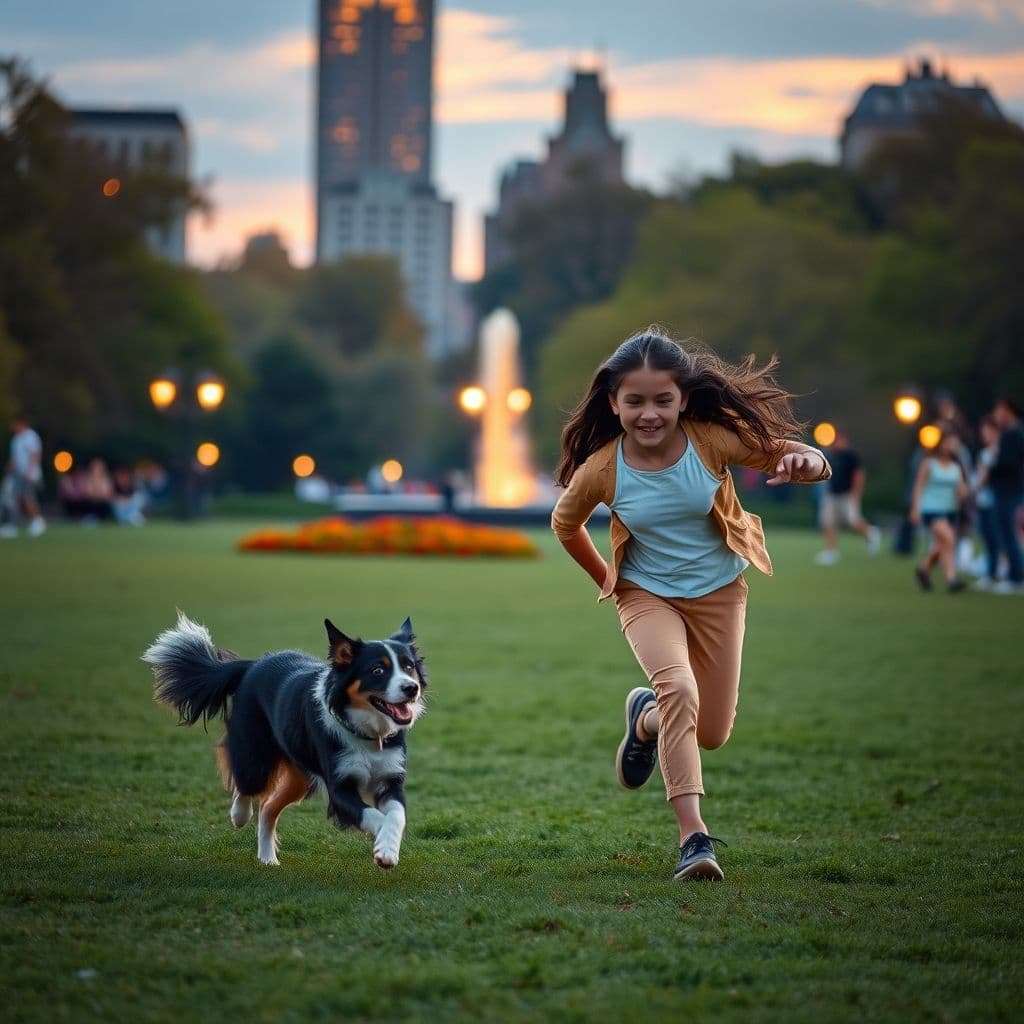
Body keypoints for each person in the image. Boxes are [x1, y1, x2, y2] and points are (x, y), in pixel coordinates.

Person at [550, 328, 831, 883]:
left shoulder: (710, 440)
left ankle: (646, 720)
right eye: (635, 401)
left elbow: (794, 454)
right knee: (679, 688)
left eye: (663, 400)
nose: (649, 414)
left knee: (712, 731)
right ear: (614, 403)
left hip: (719, 592)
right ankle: (693, 838)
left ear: (683, 398)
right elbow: (565, 524)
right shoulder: (603, 468)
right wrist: (610, 580)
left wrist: (810, 464)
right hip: (646, 594)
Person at [909, 430, 969, 593]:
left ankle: (923, 568)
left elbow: (962, 489)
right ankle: (951, 579)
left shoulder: (956, 467)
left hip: (950, 510)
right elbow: (918, 486)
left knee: (941, 544)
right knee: (948, 539)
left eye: (955, 444)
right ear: (941, 444)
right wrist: (915, 508)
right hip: (931, 508)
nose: (952, 446)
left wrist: (964, 492)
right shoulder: (929, 464)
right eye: (949, 442)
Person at [814, 428, 881, 565]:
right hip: (832, 494)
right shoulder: (830, 454)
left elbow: (859, 475)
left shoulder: (851, 455)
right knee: (827, 521)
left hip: (847, 494)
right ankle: (831, 552)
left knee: (853, 522)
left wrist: (856, 494)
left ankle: (870, 532)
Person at [987, 397, 1024, 594]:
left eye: (999, 411)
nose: (996, 416)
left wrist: (991, 469)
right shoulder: (1012, 434)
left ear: (1008, 411)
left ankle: (1015, 577)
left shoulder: (1013, 435)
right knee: (1005, 533)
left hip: (1008, 491)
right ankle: (1012, 575)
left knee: (1008, 533)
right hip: (1009, 490)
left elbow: (1007, 464)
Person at [970, 415, 1002, 590]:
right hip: (984, 501)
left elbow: (984, 477)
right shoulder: (984, 452)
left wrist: (974, 489)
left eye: (987, 431)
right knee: (987, 538)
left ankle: (993, 573)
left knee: (994, 538)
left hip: (994, 501)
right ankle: (991, 571)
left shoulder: (998, 452)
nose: (984, 434)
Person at [1, 415, 46, 538]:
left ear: (21, 424)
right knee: (15, 499)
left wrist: (30, 471)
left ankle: (37, 521)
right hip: (18, 474)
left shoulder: (31, 436)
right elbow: (15, 458)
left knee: (28, 498)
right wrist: (9, 469)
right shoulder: (16, 439)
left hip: (29, 474)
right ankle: (12, 525)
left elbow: (35, 454)